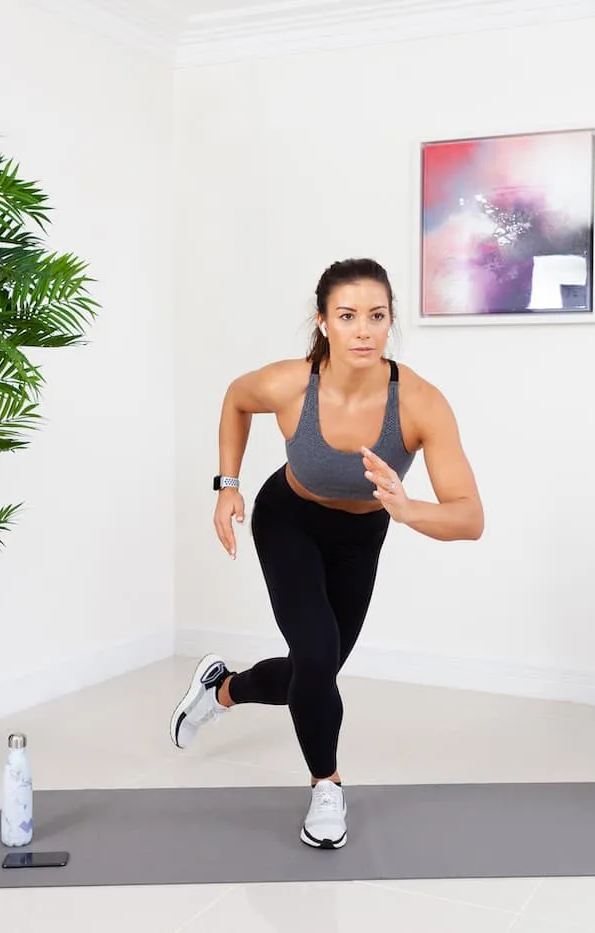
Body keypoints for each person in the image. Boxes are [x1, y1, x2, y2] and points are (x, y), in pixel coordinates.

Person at [169, 258, 484, 850]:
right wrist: (227, 486)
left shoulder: (418, 403)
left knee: (317, 669)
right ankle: (326, 785)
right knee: (315, 657)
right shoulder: (291, 383)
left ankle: (222, 689)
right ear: (323, 322)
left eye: (376, 316)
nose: (363, 330)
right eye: (347, 316)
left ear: (391, 322)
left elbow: (470, 517)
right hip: (289, 519)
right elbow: (236, 401)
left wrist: (408, 508)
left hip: (361, 537)